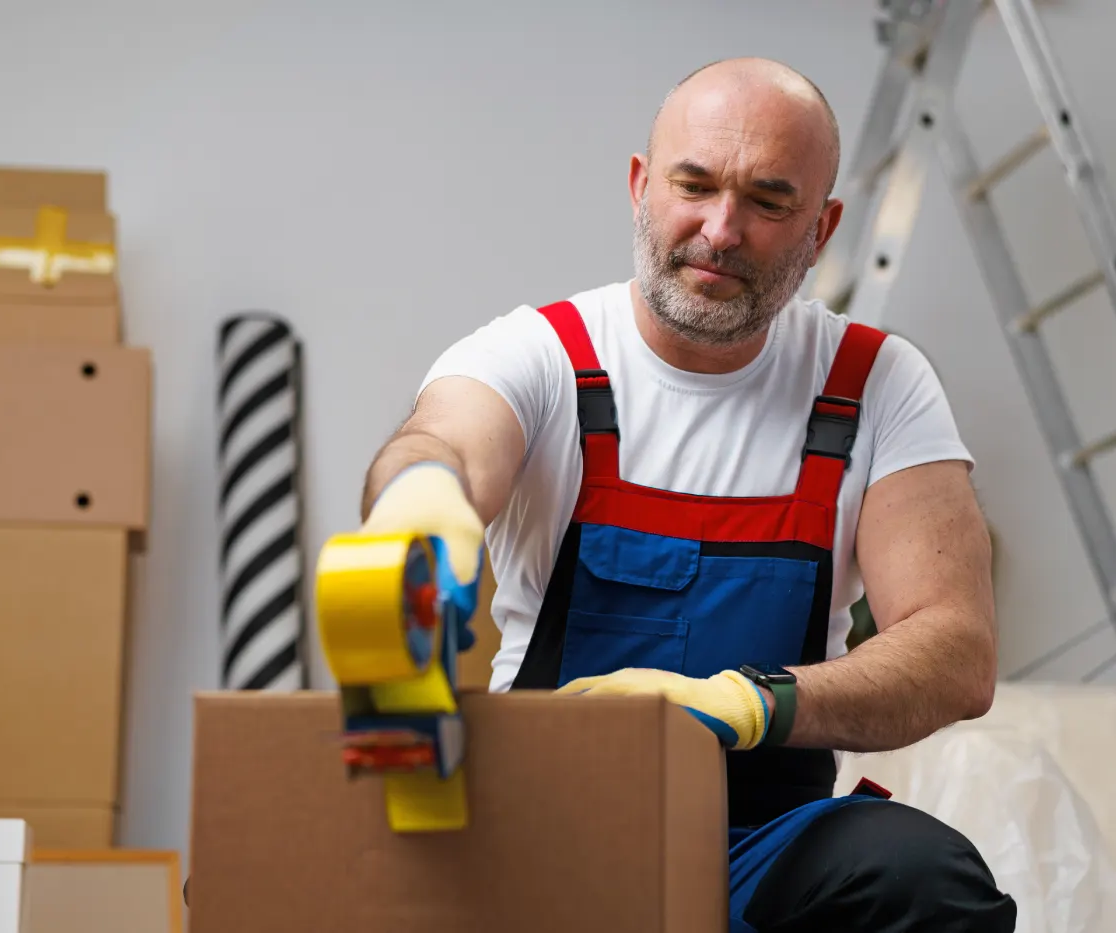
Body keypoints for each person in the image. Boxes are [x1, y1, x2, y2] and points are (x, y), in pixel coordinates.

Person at [355, 57, 1017, 931]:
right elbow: (443, 439)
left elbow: (956, 651)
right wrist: (422, 498)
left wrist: (744, 703)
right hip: (539, 832)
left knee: (925, 877)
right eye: (694, 185)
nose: (720, 229)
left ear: (822, 227)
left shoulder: (875, 384)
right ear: (641, 186)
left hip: (759, 845)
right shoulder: (542, 354)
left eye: (768, 201)